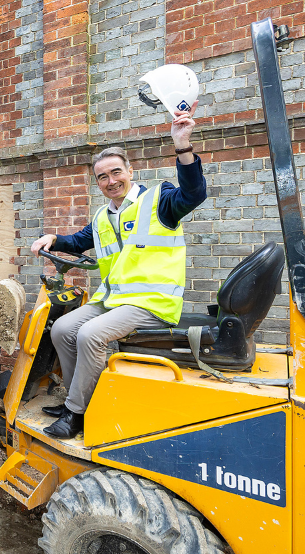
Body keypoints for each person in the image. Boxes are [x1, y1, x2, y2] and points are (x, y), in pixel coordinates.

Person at [30, 102, 206, 439]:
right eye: (103, 177)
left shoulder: (160, 200)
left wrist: (182, 145)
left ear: (129, 172)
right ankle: (78, 401)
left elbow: (194, 194)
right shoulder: (102, 217)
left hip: (151, 304)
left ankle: (74, 413)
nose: (111, 181)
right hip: (115, 301)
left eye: (116, 173)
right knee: (62, 328)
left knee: (90, 334)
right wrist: (53, 237)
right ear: (98, 183)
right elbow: (78, 241)